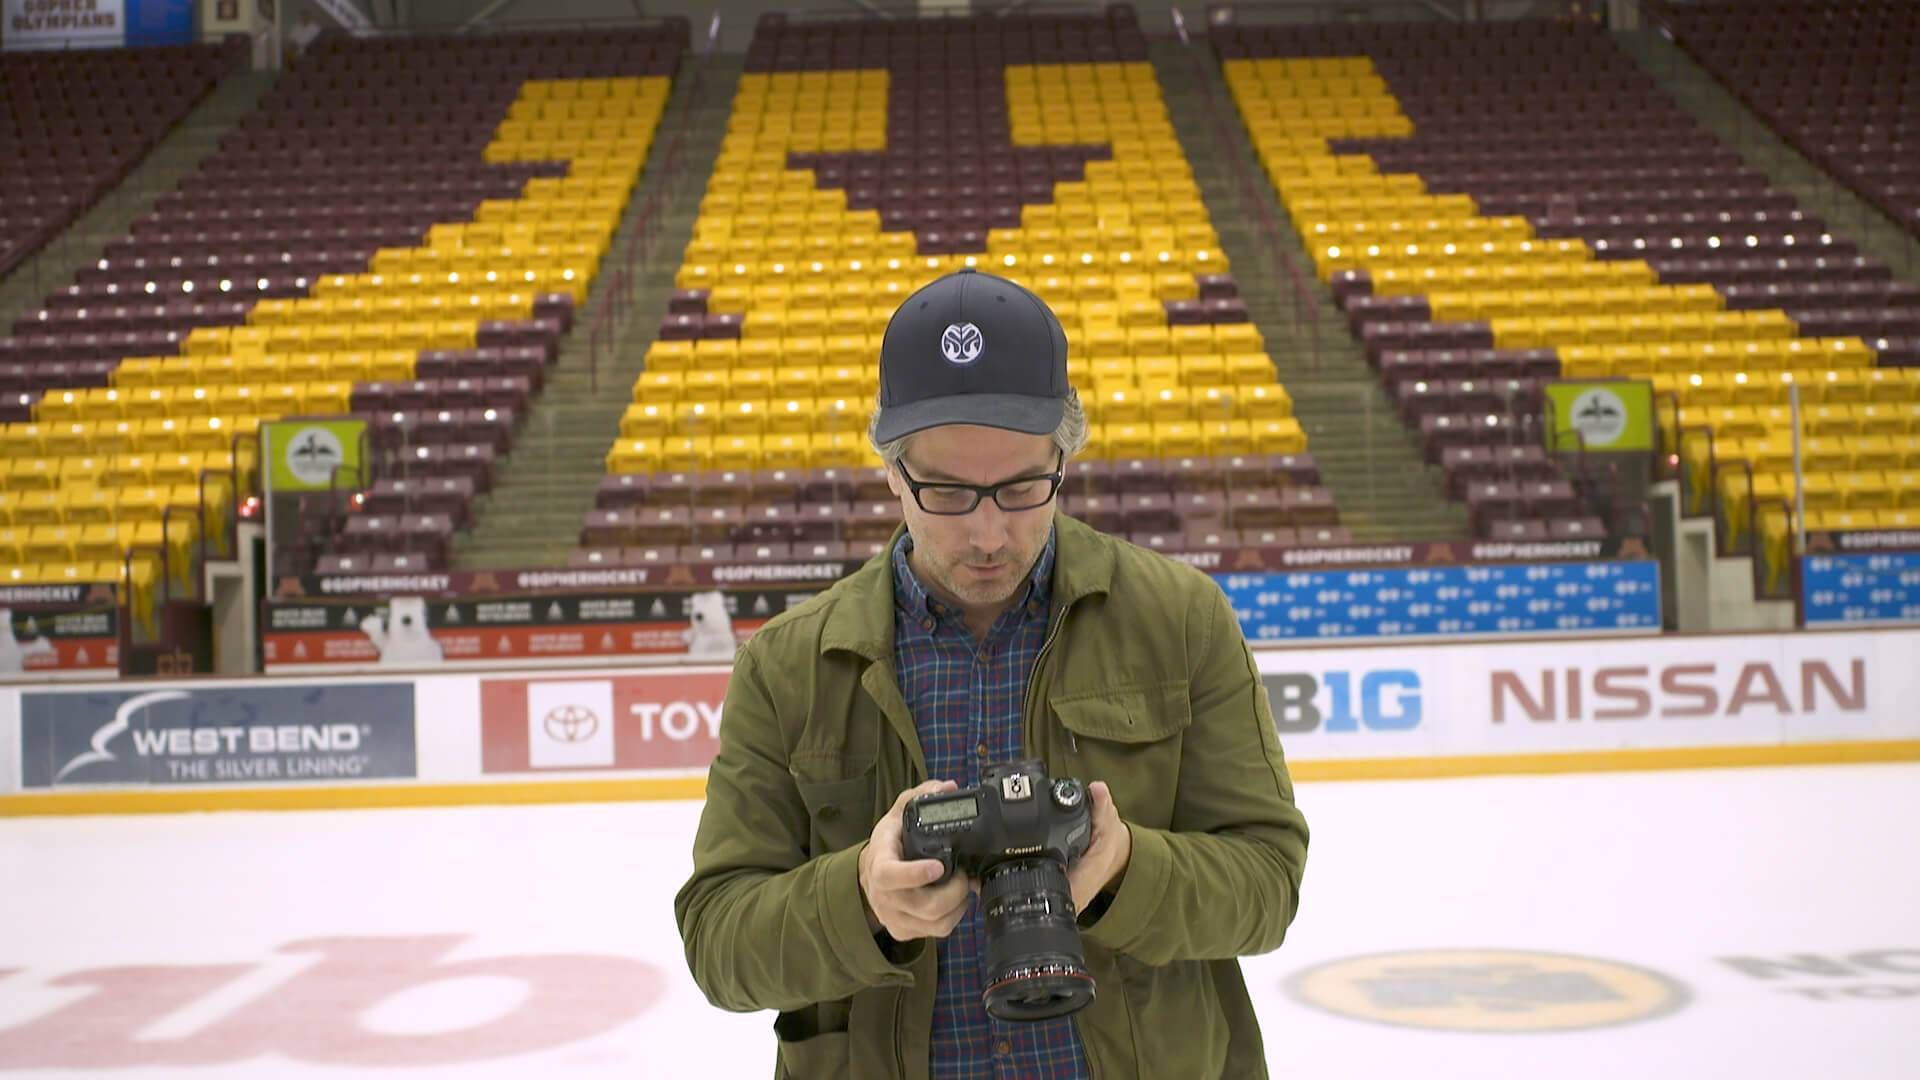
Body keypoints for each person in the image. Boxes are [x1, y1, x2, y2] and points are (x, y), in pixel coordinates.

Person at [674, 268, 1309, 1078]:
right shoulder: (788, 664)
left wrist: (1124, 868)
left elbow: (1267, 887)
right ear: (891, 472)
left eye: (1020, 488)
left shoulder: (1180, 619)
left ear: (1064, 458)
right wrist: (862, 898)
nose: (987, 534)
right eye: (944, 490)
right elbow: (718, 945)